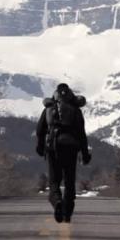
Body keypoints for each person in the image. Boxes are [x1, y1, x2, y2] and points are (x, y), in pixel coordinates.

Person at [36, 83, 91, 223]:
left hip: (53, 148)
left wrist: (40, 146)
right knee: (69, 181)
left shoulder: (49, 108)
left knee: (54, 181)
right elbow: (82, 135)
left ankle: (57, 202)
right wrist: (85, 154)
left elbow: (40, 130)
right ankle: (67, 212)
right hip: (71, 149)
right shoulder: (76, 110)